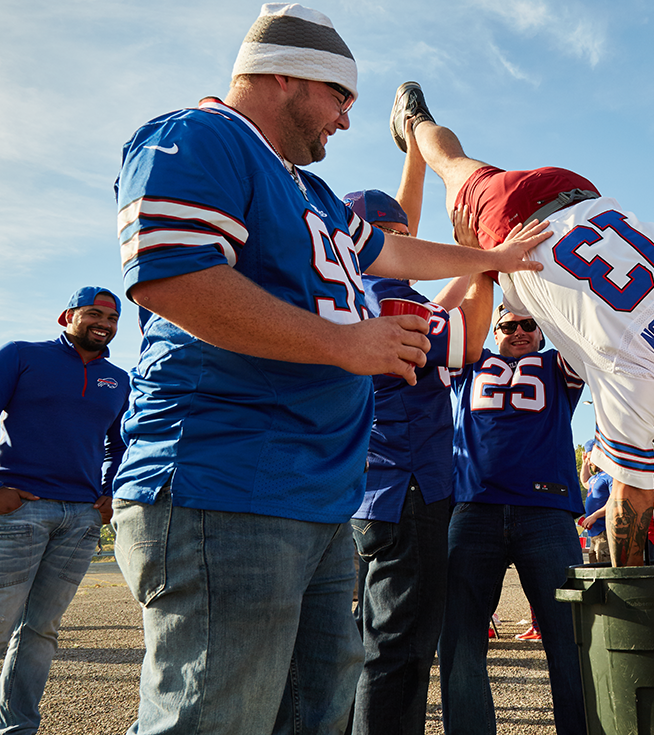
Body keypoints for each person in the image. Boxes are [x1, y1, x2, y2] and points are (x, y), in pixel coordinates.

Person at [110, 5, 551, 734]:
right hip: (225, 480)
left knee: (318, 712)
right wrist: (345, 344)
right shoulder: (198, 136)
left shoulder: (308, 191)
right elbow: (172, 281)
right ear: (285, 74)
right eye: (340, 98)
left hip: (313, 495)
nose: (347, 121)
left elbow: (395, 251)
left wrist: (492, 260)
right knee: (213, 719)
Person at [390, 73, 654, 565]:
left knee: (458, 163)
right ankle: (414, 121)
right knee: (449, 167)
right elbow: (631, 499)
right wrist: (629, 580)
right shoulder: (640, 378)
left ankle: (417, 122)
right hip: (515, 229)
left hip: (577, 191)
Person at [343, 139, 494, 732]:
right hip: (408, 488)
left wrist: (414, 156)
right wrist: (485, 262)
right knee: (399, 648)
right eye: (401, 235)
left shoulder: (351, 291)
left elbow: (436, 306)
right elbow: (469, 337)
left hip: (370, 490)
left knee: (368, 640)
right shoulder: (384, 298)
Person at [440, 305, 586, 735]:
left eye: (529, 324)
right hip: (473, 508)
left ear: (543, 331)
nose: (519, 332)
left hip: (547, 511)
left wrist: (536, 294)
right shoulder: (470, 362)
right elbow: (465, 318)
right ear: (495, 329)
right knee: (461, 642)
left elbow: (579, 324)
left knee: (570, 639)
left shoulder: (558, 365)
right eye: (508, 325)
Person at [0, 287, 130, 733]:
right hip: (19, 511)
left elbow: (120, 444)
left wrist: (109, 494)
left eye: (113, 318)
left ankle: (19, 729)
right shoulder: (21, 355)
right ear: (66, 316)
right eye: (94, 313)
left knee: (41, 631)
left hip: (80, 519)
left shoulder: (120, 379)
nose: (105, 323)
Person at [581, 440, 612, 563]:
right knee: (594, 567)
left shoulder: (609, 475)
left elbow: (614, 501)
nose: (589, 462)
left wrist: (594, 516)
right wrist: (584, 463)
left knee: (604, 567)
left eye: (590, 458)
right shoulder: (596, 477)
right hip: (594, 534)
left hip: (605, 533)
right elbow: (585, 482)